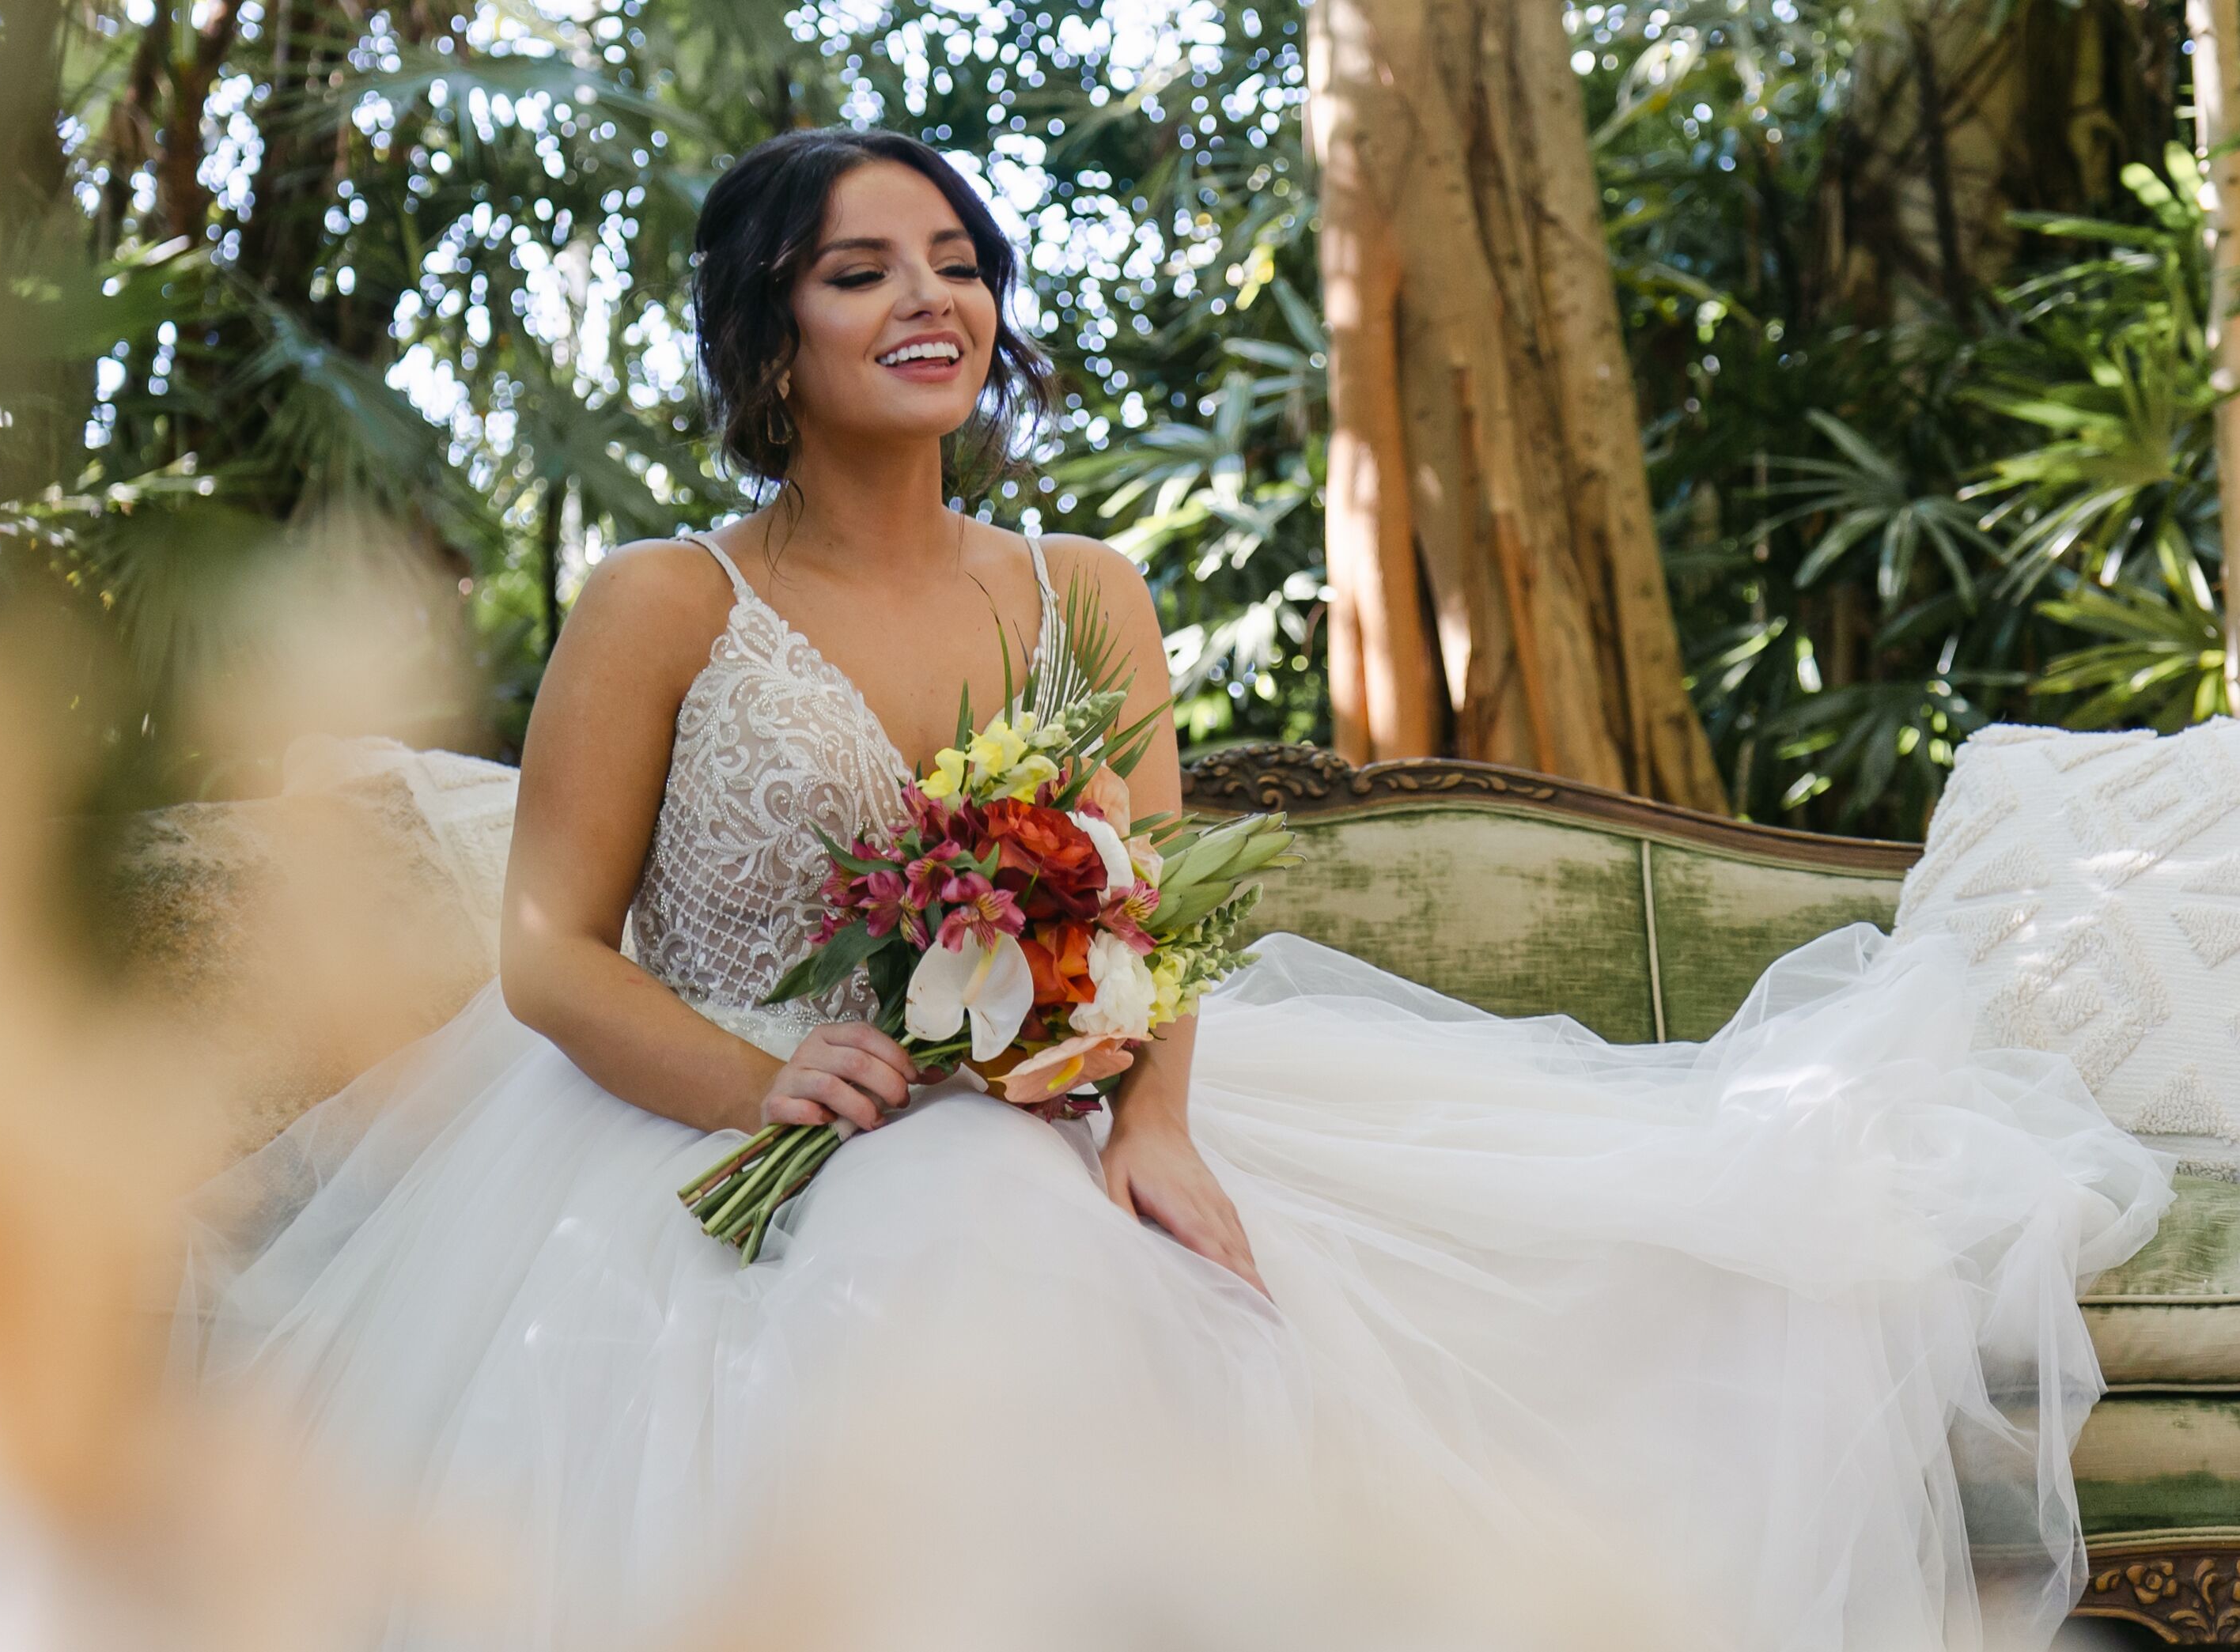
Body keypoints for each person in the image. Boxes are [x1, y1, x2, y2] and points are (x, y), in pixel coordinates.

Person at [179, 129, 2171, 1651]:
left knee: (1676, 1270)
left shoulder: (1082, 592)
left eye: (954, 261)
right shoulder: (661, 601)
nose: (924, 297)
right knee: (953, 1229)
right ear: (764, 328)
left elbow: (1145, 901)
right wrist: (752, 1086)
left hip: (1054, 1092)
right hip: (724, 1102)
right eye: (858, 269)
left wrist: (1155, 1121)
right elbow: (543, 953)